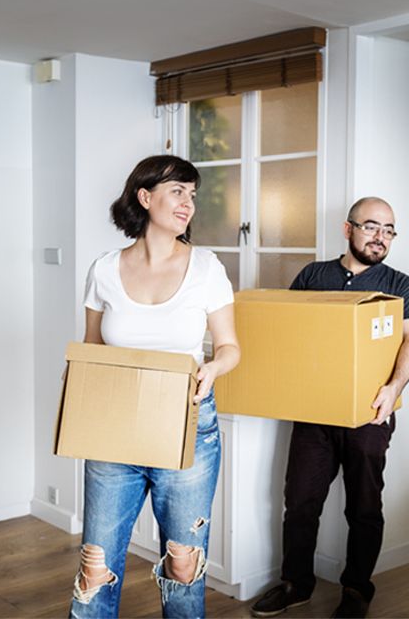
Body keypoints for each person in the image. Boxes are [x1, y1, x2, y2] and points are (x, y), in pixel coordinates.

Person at [69, 155, 240, 619]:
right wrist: (78, 389)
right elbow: (92, 347)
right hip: (114, 430)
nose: (188, 203)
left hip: (186, 425)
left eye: (192, 194)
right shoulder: (104, 269)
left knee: (183, 567)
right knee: (95, 568)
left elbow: (230, 347)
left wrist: (213, 368)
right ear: (145, 197)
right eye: (177, 191)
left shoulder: (207, 267)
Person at [251, 197, 409, 619]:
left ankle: (356, 590)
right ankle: (296, 584)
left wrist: (393, 388)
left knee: (364, 507)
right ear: (348, 230)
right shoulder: (314, 276)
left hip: (370, 414)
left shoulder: (399, 284)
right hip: (314, 414)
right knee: (300, 502)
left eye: (388, 230)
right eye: (371, 226)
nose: (380, 237)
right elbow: (288, 332)